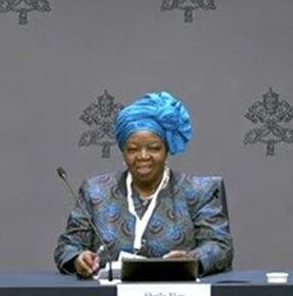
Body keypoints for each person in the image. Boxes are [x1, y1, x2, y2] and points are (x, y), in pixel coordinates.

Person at [55, 90, 233, 277]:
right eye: (132, 149)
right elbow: (67, 245)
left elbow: (220, 246)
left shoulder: (199, 191)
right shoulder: (96, 191)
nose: (143, 156)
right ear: (123, 151)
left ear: (166, 150)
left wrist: (192, 259)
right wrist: (77, 258)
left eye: (154, 148)